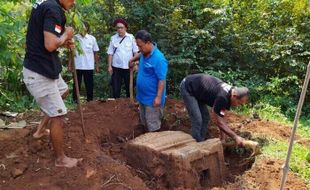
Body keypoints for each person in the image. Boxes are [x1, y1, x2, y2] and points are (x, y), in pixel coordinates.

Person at [22, 0, 81, 168]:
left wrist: (63, 40)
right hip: (39, 73)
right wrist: (66, 35)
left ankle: (40, 131)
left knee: (63, 91)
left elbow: (49, 38)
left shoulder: (46, 5)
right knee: (58, 114)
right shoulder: (53, 9)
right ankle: (61, 159)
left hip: (46, 69)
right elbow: (49, 45)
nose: (74, 1)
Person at [180, 74, 249, 145]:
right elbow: (219, 122)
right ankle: (195, 145)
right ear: (234, 96)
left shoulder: (230, 94)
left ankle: (200, 141)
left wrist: (223, 138)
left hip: (198, 91)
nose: (238, 105)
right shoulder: (222, 98)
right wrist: (235, 137)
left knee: (205, 118)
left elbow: (221, 116)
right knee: (197, 119)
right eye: (239, 103)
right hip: (188, 87)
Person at [129, 30, 168, 132]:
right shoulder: (144, 52)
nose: (139, 49)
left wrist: (158, 97)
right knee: (145, 121)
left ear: (148, 43)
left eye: (140, 46)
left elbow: (161, 80)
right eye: (138, 46)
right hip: (142, 97)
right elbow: (140, 55)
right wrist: (132, 60)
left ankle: (155, 146)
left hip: (152, 99)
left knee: (153, 126)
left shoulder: (159, 59)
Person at [107, 18, 139, 98]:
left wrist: (136, 64)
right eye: (118, 28)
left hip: (129, 67)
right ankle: (116, 106)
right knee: (116, 88)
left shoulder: (131, 38)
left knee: (130, 88)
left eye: (121, 27)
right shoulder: (113, 38)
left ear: (125, 28)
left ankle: (129, 103)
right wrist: (109, 66)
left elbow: (136, 52)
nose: (120, 29)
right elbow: (110, 53)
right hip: (116, 67)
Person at [71, 22, 100, 102]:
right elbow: (71, 52)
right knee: (76, 84)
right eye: (80, 27)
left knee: (89, 84)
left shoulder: (92, 38)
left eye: (83, 27)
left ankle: (90, 100)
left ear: (87, 28)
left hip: (89, 65)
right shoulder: (75, 38)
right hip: (77, 65)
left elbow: (95, 53)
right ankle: (75, 100)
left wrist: (97, 66)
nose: (82, 28)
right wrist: (70, 64)